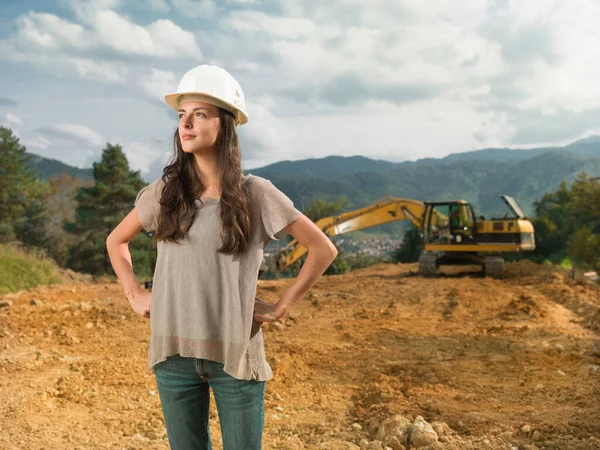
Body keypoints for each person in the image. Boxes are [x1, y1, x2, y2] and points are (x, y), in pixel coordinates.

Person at [106, 65, 337, 450]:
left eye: (200, 114)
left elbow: (323, 248)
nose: (186, 124)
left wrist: (281, 308)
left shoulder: (257, 194)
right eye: (182, 115)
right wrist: (132, 293)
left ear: (225, 124)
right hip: (173, 357)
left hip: (235, 359)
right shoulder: (165, 194)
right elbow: (116, 241)